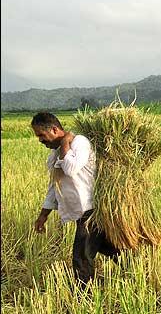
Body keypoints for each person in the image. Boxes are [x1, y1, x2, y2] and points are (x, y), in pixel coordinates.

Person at [31, 112, 119, 285]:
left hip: (90, 210)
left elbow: (71, 168)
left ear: (55, 129)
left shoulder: (79, 142)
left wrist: (65, 143)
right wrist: (43, 215)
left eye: (41, 135)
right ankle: (137, 264)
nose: (40, 140)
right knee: (106, 247)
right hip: (79, 213)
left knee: (81, 257)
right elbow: (54, 188)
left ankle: (82, 297)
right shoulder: (53, 156)